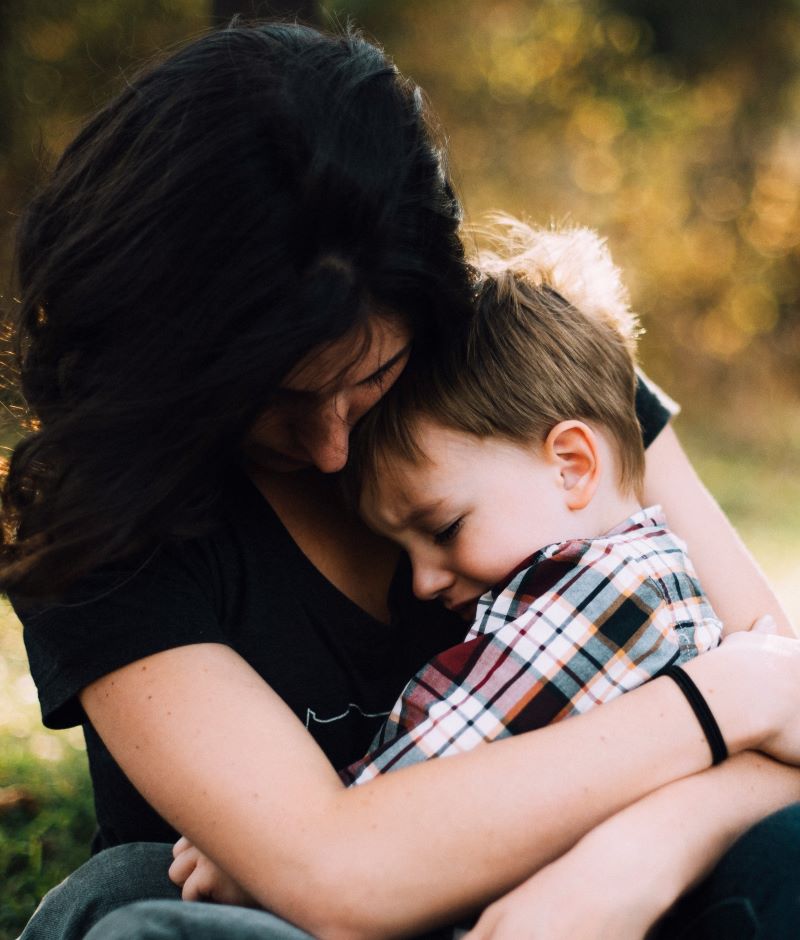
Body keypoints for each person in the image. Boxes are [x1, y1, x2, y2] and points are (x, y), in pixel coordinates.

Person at [5, 19, 800, 940]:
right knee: (127, 904)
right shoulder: (101, 516)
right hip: (284, 924)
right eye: (275, 399)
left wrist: (636, 859)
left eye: (370, 379)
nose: (335, 448)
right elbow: (330, 871)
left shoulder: (527, 374)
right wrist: (724, 703)